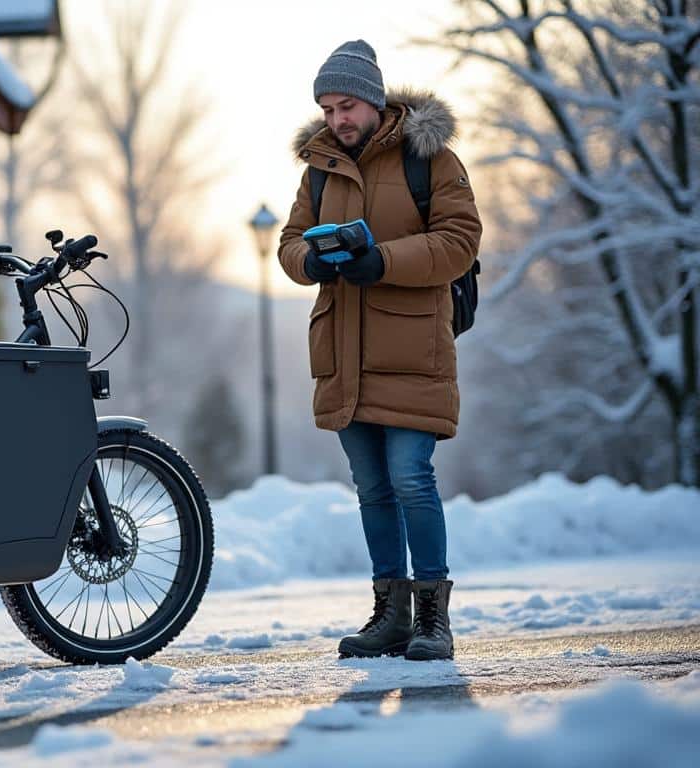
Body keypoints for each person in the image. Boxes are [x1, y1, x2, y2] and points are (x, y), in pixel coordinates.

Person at [276, 40, 482, 661]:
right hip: (346, 353)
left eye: (346, 106)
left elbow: (460, 240)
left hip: (413, 351)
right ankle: (390, 616)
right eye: (327, 108)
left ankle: (433, 621)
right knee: (373, 490)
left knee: (412, 479)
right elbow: (287, 245)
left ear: (372, 100)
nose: (337, 119)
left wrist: (382, 260)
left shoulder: (429, 158)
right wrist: (311, 259)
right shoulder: (317, 169)